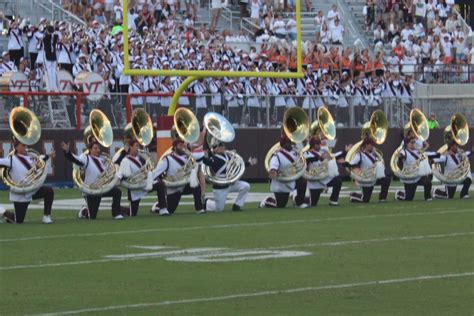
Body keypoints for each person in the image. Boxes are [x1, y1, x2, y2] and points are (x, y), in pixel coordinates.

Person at [61, 140, 126, 220]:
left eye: (98, 148)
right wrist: (67, 152)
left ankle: (116, 213)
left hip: (103, 187)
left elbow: (112, 167)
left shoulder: (103, 159)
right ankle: (83, 211)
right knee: (92, 216)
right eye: (95, 148)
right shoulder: (86, 158)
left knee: (117, 192)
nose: (98, 150)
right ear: (90, 149)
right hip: (91, 190)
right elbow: (76, 160)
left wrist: (123, 154)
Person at [0, 138, 54, 224]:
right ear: (16, 147)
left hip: (32, 191)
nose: (26, 147)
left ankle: (46, 216)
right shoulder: (11, 159)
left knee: (49, 191)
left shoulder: (31, 158)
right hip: (20, 194)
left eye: (26, 145)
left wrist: (49, 155)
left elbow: (41, 157)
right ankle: (3, 212)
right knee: (18, 220)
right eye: (23, 145)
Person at [115, 138, 169, 216]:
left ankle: (163, 209)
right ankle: (118, 208)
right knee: (133, 213)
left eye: (139, 146)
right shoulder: (125, 160)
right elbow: (122, 173)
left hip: (144, 184)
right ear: (131, 147)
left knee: (160, 185)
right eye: (136, 146)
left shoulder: (140, 158)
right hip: (135, 187)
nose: (138, 149)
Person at [152, 138, 205, 214]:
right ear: (175, 147)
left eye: (183, 145)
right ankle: (157, 206)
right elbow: (156, 172)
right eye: (180, 145)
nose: (182, 147)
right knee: (170, 210)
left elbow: (192, 168)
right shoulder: (167, 159)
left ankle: (199, 209)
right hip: (173, 187)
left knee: (196, 185)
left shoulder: (187, 157)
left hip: (184, 185)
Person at [203, 141, 257, 212]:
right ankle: (206, 202)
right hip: (220, 187)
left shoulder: (229, 155)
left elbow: (239, 164)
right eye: (219, 145)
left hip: (231, 184)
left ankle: (237, 205)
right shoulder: (213, 158)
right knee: (219, 209)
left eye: (222, 145)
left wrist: (249, 163)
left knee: (246, 186)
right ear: (214, 149)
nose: (222, 146)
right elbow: (207, 162)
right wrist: (205, 156)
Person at [260, 135, 308, 208]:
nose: (291, 144)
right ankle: (266, 202)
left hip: (292, 179)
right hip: (281, 182)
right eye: (288, 143)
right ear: (283, 144)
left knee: (302, 181)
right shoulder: (277, 155)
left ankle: (299, 202)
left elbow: (300, 162)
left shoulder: (295, 152)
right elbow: (273, 165)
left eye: (290, 142)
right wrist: (273, 171)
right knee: (281, 205)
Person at [347, 137, 391, 203]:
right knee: (365, 200)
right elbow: (352, 164)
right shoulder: (360, 155)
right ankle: (353, 195)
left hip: (374, 177)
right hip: (366, 178)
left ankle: (382, 198)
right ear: (366, 145)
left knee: (386, 179)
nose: (372, 146)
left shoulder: (373, 155)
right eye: (370, 144)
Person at [395, 136, 437, 201]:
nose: (413, 144)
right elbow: (401, 156)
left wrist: (433, 158)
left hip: (418, 175)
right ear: (407, 144)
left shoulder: (417, 151)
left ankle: (428, 197)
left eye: (414, 142)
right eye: (412, 142)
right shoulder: (404, 151)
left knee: (428, 182)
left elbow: (425, 156)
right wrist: (401, 157)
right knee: (409, 198)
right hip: (409, 177)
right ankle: (398, 194)